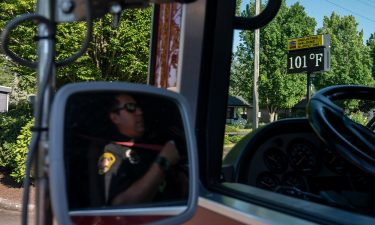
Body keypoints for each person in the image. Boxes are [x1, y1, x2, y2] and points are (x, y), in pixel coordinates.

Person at [97, 93, 187, 206]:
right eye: (130, 107)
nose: (140, 112)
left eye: (138, 107)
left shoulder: (150, 145)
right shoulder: (112, 152)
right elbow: (119, 206)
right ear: (115, 117)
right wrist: (163, 161)